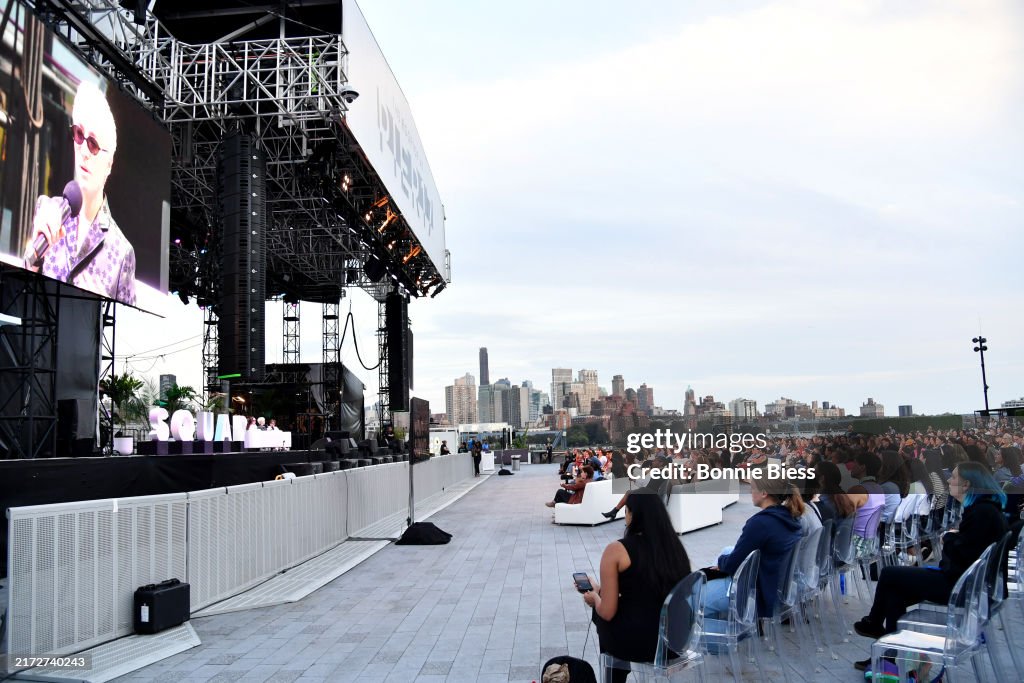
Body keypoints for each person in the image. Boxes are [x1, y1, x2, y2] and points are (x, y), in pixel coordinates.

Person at [852, 463, 1008, 672]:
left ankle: (875, 626)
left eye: (954, 477)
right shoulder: (986, 509)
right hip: (970, 585)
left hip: (961, 587)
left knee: (889, 574)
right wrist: (954, 538)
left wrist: (948, 539)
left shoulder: (982, 513)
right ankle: (886, 654)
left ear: (966, 484)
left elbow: (963, 555)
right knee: (894, 593)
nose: (949, 481)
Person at [25, 81, 136, 306]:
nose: (84, 150)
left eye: (93, 144)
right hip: (40, 325)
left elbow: (126, 320)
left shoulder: (121, 251)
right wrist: (33, 259)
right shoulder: (48, 211)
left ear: (109, 163)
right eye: (78, 134)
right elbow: (21, 292)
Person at [582, 492, 692, 683]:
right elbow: (646, 589)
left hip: (644, 643)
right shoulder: (675, 547)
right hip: (678, 638)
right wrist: (599, 590)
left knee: (600, 616)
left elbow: (607, 612)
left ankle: (615, 678)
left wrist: (595, 598)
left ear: (632, 514)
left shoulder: (617, 550)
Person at [702, 475, 803, 620]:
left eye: (753, 488)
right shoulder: (789, 517)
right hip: (773, 584)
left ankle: (720, 631)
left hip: (754, 592)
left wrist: (721, 562)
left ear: (764, 493)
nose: (750, 492)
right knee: (727, 551)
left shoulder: (761, 523)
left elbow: (732, 564)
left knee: (692, 600)